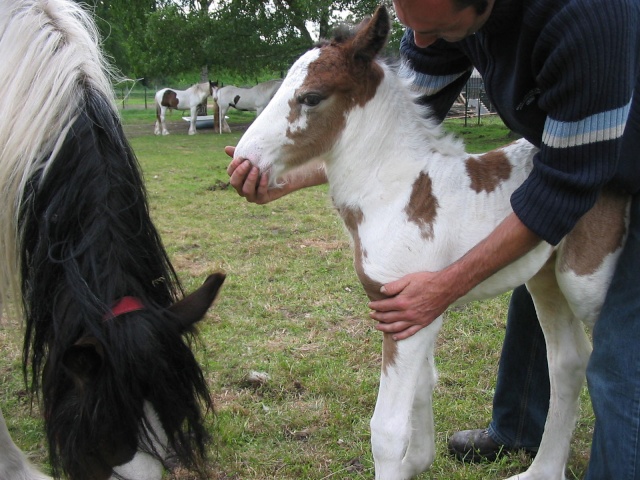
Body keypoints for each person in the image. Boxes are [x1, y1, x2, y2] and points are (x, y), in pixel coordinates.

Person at [226, 0, 640, 477]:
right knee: (552, 322)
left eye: (435, 30)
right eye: (410, 27)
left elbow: (565, 186)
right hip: (556, 151)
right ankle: (530, 445)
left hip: (612, 155)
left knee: (620, 355)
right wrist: (280, 179)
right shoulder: (434, 23)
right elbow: (391, 125)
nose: (418, 44)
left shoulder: (588, 15)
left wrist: (444, 287)